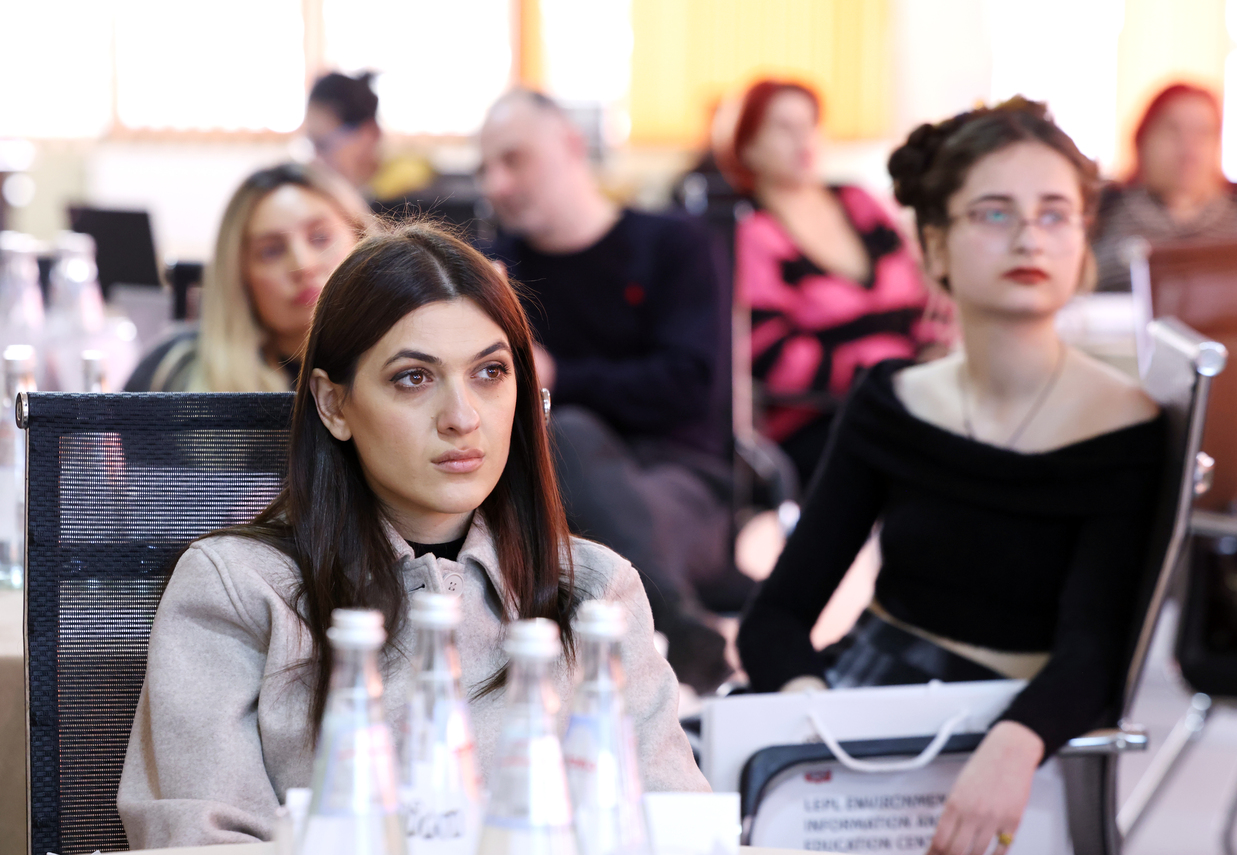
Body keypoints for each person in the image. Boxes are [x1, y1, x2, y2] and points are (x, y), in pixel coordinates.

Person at [117, 223, 707, 848]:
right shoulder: (239, 588)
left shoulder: (594, 591)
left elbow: (680, 833)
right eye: (414, 378)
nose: (462, 417)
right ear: (333, 405)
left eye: (490, 372)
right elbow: (203, 842)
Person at [738, 98, 1164, 855]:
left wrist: (1016, 740)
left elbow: (1094, 648)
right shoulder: (891, 401)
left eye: (1055, 214)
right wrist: (817, 720)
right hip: (866, 698)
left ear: (1082, 242)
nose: (1029, 237)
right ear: (934, 246)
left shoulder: (1126, 424)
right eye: (994, 213)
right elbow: (776, 616)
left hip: (1022, 727)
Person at [477, 89, 736, 695]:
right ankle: (671, 645)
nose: (496, 184)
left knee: (567, 437)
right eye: (485, 168)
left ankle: (665, 640)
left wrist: (555, 376)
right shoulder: (494, 270)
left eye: (514, 160)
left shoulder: (673, 244)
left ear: (571, 145)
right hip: (543, 487)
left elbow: (690, 387)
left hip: (677, 478)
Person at [722, 80, 946, 487]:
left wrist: (932, 355)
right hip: (820, 418)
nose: (803, 140)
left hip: (911, 395)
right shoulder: (751, 231)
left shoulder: (858, 201)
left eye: (810, 125)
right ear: (748, 145)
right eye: (784, 128)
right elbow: (769, 353)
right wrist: (883, 378)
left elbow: (929, 293)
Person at [124, 163, 372, 392]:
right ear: (240, 276)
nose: (303, 265)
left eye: (320, 238)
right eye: (271, 251)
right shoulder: (173, 371)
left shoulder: (393, 370)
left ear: (362, 241)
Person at [1093, 82, 1237, 292]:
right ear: (1143, 138)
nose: (1188, 149)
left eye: (1203, 133)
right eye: (1172, 130)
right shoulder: (1103, 207)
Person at [304, 70, 434, 210]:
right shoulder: (336, 197)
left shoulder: (411, 198)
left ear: (370, 134)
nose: (316, 160)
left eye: (323, 145)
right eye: (310, 144)